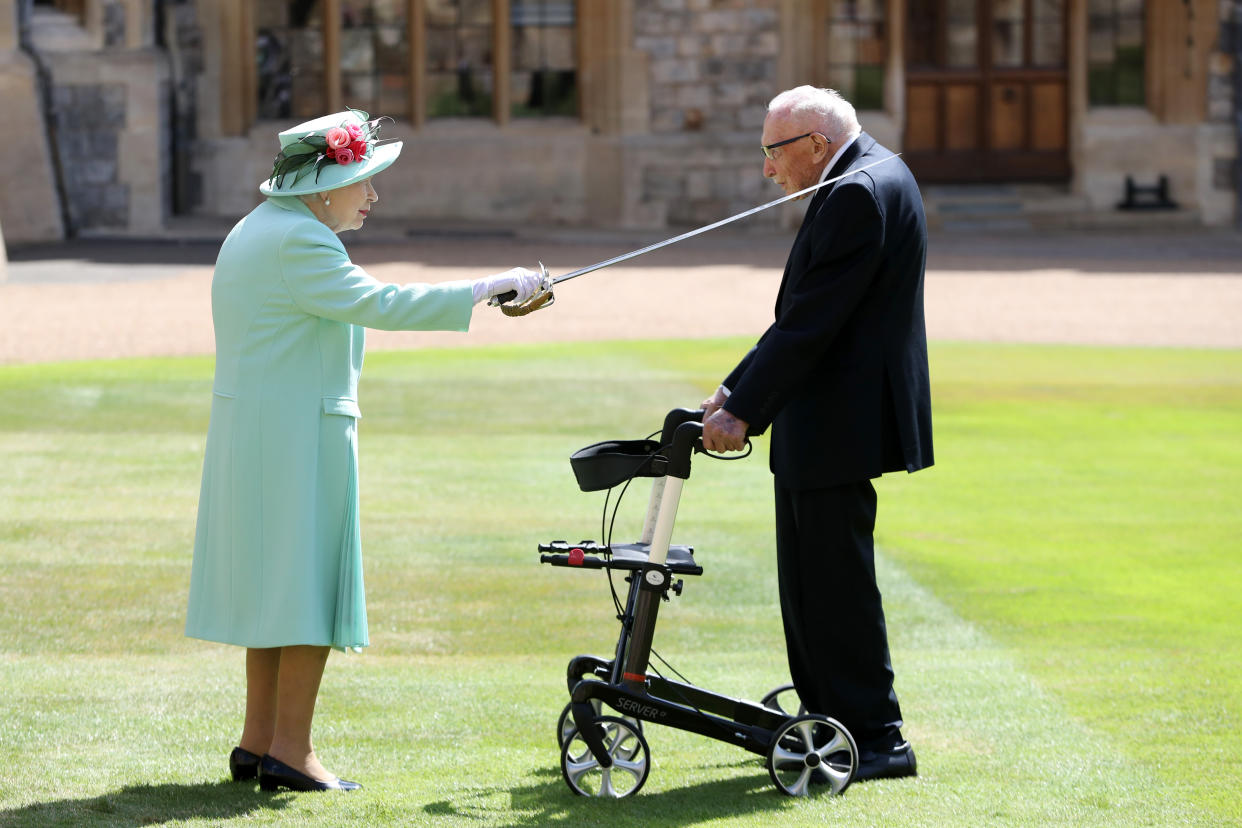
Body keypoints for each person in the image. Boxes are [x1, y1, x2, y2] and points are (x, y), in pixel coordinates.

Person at [184, 110, 547, 793]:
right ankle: (290, 752)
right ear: (324, 186)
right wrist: (488, 287)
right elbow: (380, 303)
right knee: (309, 590)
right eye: (363, 181)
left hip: (258, 435)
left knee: (275, 592)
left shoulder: (257, 229)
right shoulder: (300, 241)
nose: (372, 197)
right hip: (296, 438)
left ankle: (258, 741)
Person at [699, 86, 933, 782]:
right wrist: (734, 388)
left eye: (773, 153)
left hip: (838, 420)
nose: (768, 170)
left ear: (815, 147)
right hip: (826, 417)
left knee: (833, 585)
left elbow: (812, 322)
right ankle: (830, 711)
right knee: (809, 582)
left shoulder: (857, 192)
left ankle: (875, 737)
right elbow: (806, 314)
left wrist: (742, 408)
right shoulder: (868, 175)